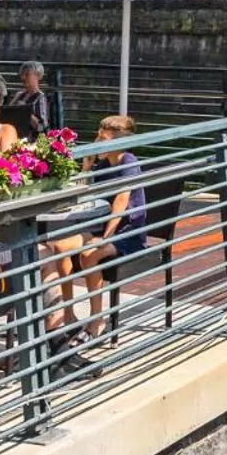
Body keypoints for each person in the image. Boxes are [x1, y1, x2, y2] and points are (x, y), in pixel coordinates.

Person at [75, 116, 150, 334]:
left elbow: (121, 201)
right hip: (101, 228)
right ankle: (66, 316)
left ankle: (97, 319)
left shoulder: (128, 162)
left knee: (88, 255)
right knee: (60, 246)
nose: (97, 143)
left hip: (127, 234)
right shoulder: (104, 164)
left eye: (103, 139)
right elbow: (82, 193)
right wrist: (87, 166)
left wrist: (106, 238)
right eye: (97, 137)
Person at [2, 60, 51, 136]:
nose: (23, 77)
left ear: (38, 76)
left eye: (27, 74)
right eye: (22, 74)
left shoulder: (40, 98)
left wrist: (26, 111)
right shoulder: (19, 95)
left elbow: (42, 128)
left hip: (29, 138)